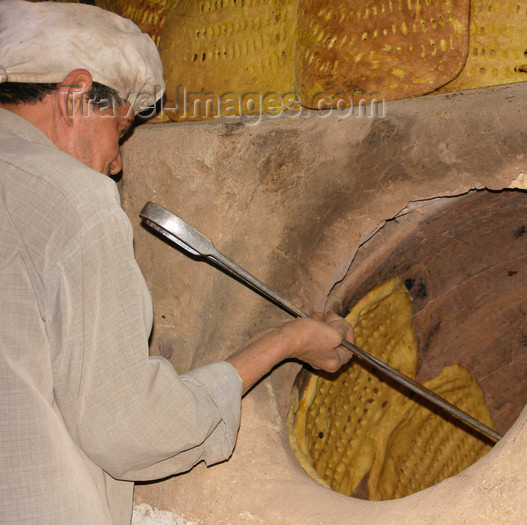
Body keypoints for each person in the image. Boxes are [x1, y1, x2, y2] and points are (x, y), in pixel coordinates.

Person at [0, 1, 352, 523]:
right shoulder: (73, 196)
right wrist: (286, 342)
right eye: (118, 128)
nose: (117, 162)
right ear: (74, 96)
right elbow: (130, 430)